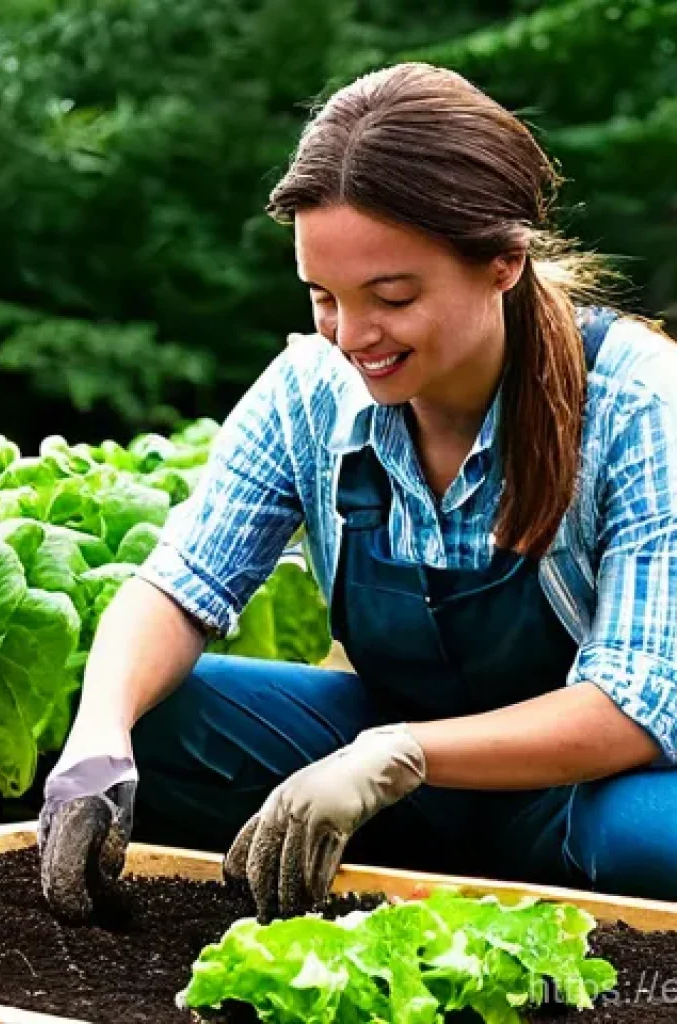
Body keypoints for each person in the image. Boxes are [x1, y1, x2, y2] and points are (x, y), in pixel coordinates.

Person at [38, 61, 677, 925]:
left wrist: (398, 757)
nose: (351, 336)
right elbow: (181, 585)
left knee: (651, 841)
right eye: (323, 297)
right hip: (390, 766)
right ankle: (404, 854)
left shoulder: (638, 402)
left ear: (503, 262)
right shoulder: (310, 388)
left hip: (586, 786)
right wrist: (97, 740)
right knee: (154, 721)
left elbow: (633, 708)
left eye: (392, 296)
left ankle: (425, 850)